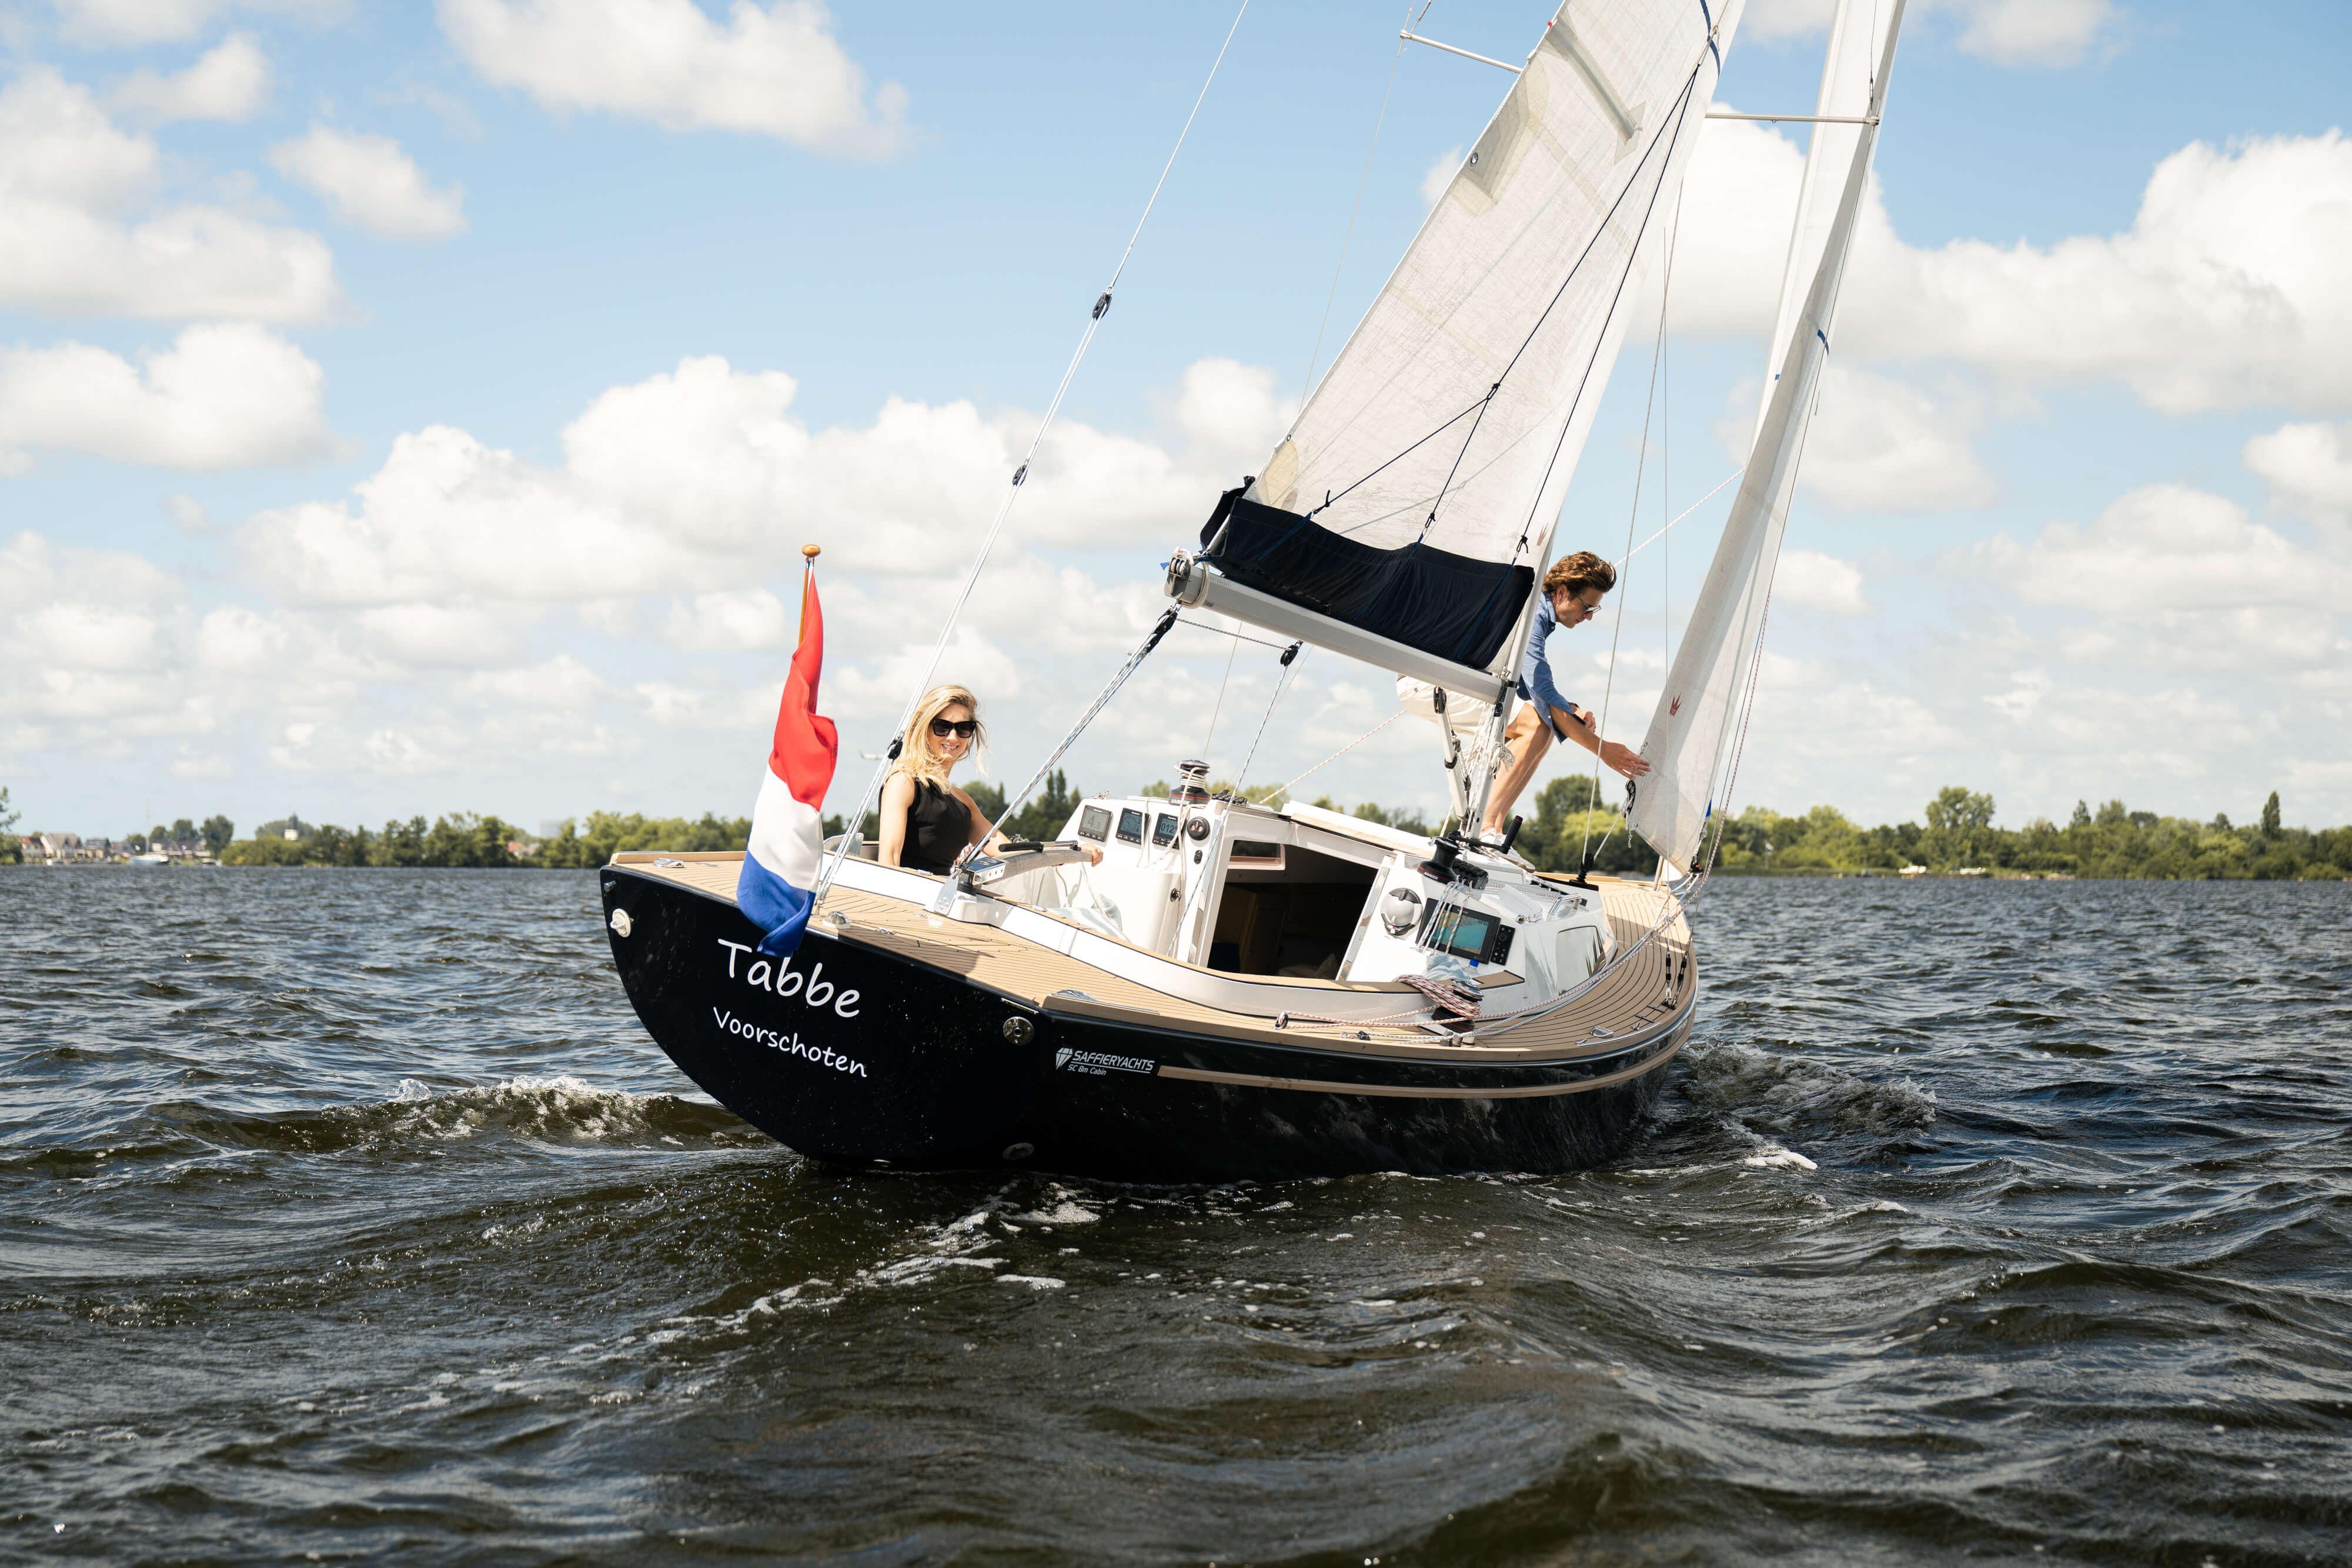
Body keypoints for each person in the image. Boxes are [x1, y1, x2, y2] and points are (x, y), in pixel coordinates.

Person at [1479, 550, 1651, 841]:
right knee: (1538, 723)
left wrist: (1570, 710)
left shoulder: (1540, 619)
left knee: (1544, 726)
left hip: (1468, 684)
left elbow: (1528, 686)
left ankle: (1492, 829)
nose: (1588, 617)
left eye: (1593, 611)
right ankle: (1485, 828)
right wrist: (1603, 750)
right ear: (1561, 593)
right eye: (1587, 607)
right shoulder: (1533, 615)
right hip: (1437, 682)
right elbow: (1542, 693)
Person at [877, 686, 1102, 874]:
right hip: (908, 906)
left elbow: (1007, 851)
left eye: (963, 728)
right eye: (942, 727)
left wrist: (1070, 852)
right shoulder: (903, 782)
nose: (953, 737)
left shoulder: (963, 802)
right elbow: (889, 860)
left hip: (941, 904)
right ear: (923, 729)